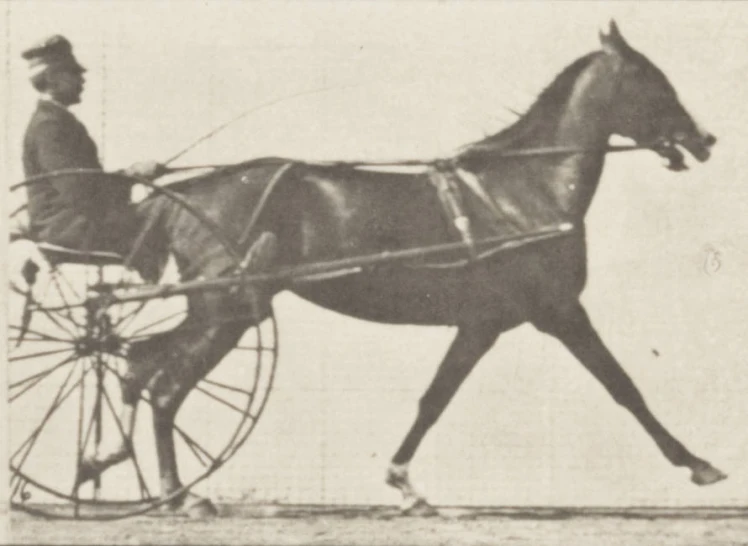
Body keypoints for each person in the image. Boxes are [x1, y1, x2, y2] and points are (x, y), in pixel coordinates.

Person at [21, 34, 165, 258]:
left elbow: (84, 184)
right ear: (51, 77)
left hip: (71, 223)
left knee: (164, 206)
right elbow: (80, 190)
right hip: (69, 228)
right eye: (74, 73)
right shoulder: (50, 125)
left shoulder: (57, 121)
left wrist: (132, 176)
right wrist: (132, 175)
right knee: (167, 208)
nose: (82, 80)